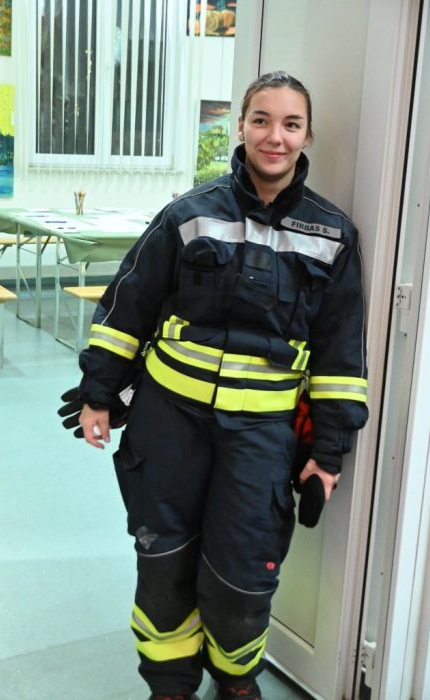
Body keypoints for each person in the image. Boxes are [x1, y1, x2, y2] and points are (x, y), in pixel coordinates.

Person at [71, 71, 368, 700]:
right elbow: (126, 308)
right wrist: (100, 393)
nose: (275, 136)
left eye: (290, 124)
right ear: (241, 126)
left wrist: (328, 452)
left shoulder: (333, 235)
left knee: (244, 573)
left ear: (307, 135)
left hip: (261, 437)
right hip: (169, 423)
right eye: (262, 120)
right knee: (163, 562)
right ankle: (169, 686)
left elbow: (341, 355)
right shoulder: (188, 214)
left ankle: (235, 682)